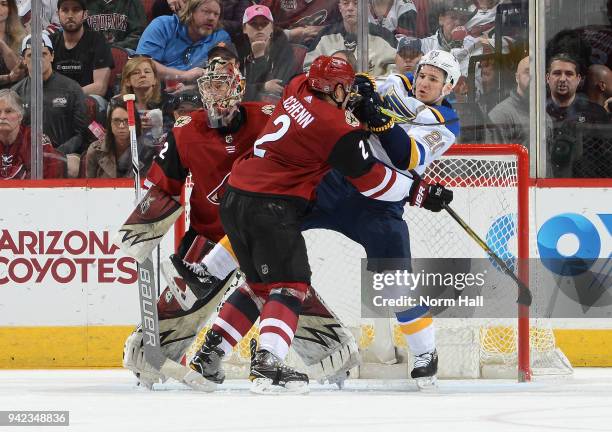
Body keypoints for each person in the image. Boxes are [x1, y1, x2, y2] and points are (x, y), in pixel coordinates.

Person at [176, 50, 460, 391]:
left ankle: (425, 353)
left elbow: (405, 154)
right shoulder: (398, 83)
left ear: (449, 86)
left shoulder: (445, 123)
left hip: (381, 204)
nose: (424, 82)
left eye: (434, 79)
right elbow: (353, 88)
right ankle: (212, 274)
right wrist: (364, 88)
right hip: (338, 179)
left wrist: (377, 120)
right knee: (270, 247)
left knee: (395, 281)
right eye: (423, 74)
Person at [12, 33, 88, 174]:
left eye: (43, 54)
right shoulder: (15, 94)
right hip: (25, 156)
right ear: (23, 60)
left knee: (72, 167)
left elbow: (81, 134)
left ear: (52, 56)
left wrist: (54, 153)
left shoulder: (72, 89)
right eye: (30, 55)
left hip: (64, 155)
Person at [135, 0, 231, 84]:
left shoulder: (220, 38)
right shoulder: (163, 25)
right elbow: (142, 63)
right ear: (191, 11)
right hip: (155, 89)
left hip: (198, 96)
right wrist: (183, 76)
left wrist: (191, 89)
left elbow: (223, 76)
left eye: (216, 14)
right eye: (206, 11)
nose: (212, 18)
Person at [546, 53, 609, 177]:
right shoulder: (538, 112)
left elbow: (606, 158)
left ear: (578, 79)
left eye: (569, 74)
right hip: (546, 185)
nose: (562, 79)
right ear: (547, 78)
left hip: (587, 188)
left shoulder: (596, 113)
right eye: (557, 73)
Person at [303, 0, 397, 76]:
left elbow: (396, 70)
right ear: (340, 7)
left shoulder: (384, 36)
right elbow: (309, 69)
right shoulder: (325, 35)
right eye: (345, 3)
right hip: (332, 94)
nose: (350, 8)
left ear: (367, 8)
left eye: (356, 3)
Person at [51, 0, 114, 99]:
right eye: (65, 10)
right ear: (57, 14)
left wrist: (66, 97)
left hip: (88, 99)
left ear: (85, 14)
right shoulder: (50, 42)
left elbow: (100, 88)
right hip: (56, 102)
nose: (70, 15)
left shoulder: (98, 41)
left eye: (76, 10)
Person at [234, 4, 297, 102]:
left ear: (271, 27)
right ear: (244, 28)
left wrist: (259, 56)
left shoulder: (283, 49)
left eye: (264, 23)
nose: (259, 28)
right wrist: (262, 86)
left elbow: (279, 86)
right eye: (253, 23)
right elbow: (232, 87)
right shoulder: (236, 48)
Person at [0, 89, 64, 179]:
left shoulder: (35, 140)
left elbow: (49, 181)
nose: (2, 117)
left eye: (8, 111)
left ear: (20, 116)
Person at [85, 97, 156, 178]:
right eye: (116, 121)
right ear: (109, 124)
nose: (121, 126)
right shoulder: (95, 150)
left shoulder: (147, 152)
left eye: (127, 121)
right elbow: (89, 187)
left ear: (135, 124)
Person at [119, 55, 173, 141]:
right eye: (136, 73)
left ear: (155, 79)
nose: (143, 75)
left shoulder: (169, 102)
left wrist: (160, 126)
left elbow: (176, 133)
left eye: (147, 72)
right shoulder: (119, 104)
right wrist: (134, 129)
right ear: (127, 81)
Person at [488, 55, 530, 148]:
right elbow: (495, 160)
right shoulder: (500, 115)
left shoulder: (544, 115)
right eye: (527, 72)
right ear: (517, 77)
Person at [258, 0, 341, 46]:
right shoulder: (273, 2)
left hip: (319, 55)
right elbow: (254, 28)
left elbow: (349, 28)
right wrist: (290, 35)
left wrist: (326, 30)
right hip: (278, 55)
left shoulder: (335, 3)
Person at [0, 0, 26, 89]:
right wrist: (8, 78)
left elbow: (19, 72)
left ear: (10, 9)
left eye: (3, 4)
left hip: (13, 94)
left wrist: (2, 45)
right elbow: (12, 76)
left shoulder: (20, 37)